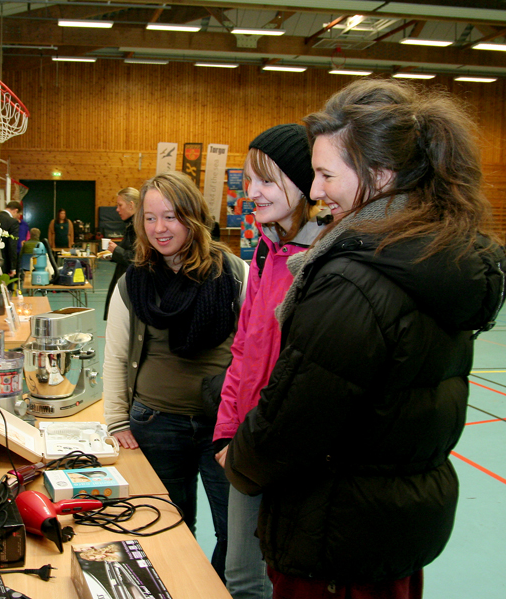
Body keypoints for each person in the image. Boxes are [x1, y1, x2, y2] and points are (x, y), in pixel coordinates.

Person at [225, 79, 506, 599]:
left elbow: (296, 418)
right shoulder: (430, 258)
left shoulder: (356, 279)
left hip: (334, 538)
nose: (315, 191)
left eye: (327, 174)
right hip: (390, 531)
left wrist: (240, 460)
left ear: (381, 175)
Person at [103, 171, 249, 581]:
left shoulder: (235, 273)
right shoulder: (134, 283)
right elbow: (115, 355)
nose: (159, 229)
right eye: (149, 218)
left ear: (192, 217)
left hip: (224, 427)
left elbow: (257, 352)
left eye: (170, 217)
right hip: (156, 422)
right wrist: (116, 420)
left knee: (234, 533)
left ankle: (215, 588)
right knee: (168, 526)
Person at [212, 124, 324, 599]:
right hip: (249, 441)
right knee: (241, 577)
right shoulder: (263, 251)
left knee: (289, 579)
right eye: (249, 179)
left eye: (266, 181)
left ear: (305, 186)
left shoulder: (321, 258)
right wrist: (228, 428)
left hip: (294, 447)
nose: (250, 192)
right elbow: (243, 351)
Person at [103, 187, 139, 320]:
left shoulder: (138, 227)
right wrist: (113, 254)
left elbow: (136, 259)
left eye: (120, 205)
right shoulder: (131, 226)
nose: (117, 209)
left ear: (131, 205)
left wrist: (116, 250)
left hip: (131, 288)